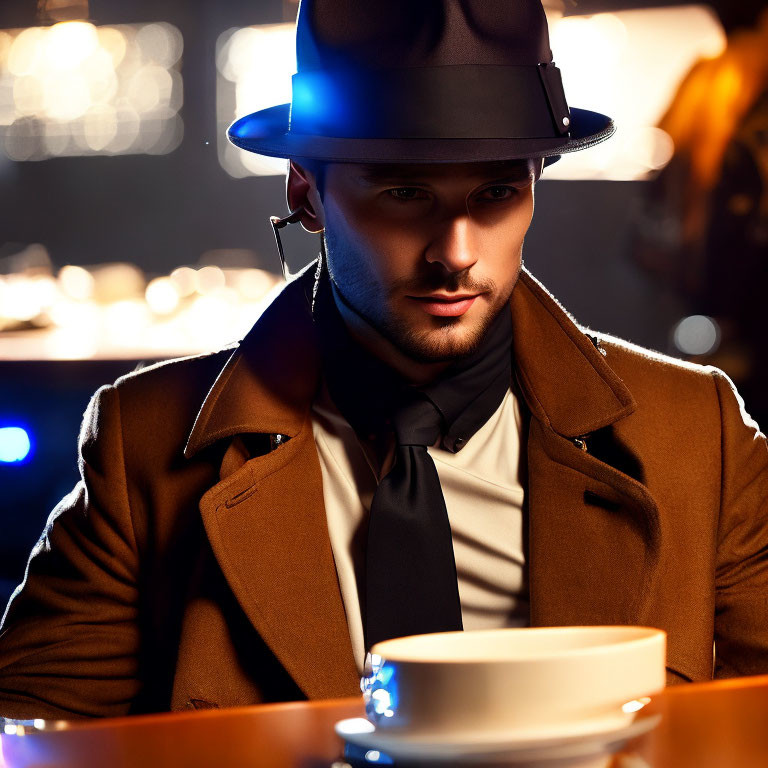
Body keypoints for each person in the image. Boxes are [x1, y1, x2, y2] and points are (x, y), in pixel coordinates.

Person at [1, 0, 767, 720]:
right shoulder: (147, 447)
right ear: (307, 194)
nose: (456, 255)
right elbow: (33, 728)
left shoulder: (697, 438)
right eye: (406, 194)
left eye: (498, 192)